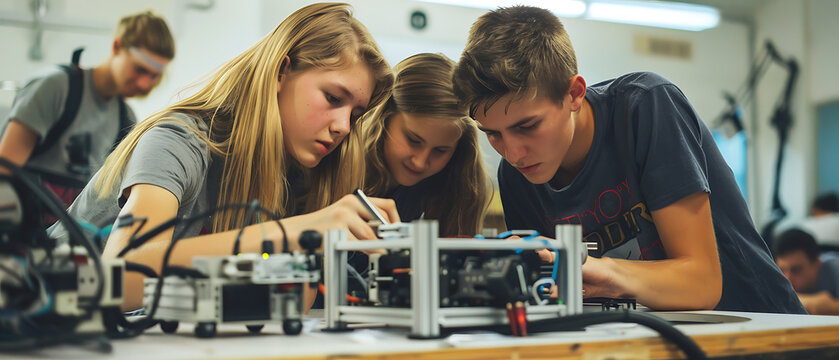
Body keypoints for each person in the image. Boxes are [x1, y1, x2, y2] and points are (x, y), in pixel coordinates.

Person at [451, 5, 804, 313]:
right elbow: (559, 295)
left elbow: (701, 283)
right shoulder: (518, 177)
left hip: (764, 329)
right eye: (492, 134)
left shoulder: (645, 106)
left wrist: (602, 271)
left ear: (573, 94)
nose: (513, 154)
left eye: (527, 126)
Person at [48, 3, 397, 310]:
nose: (343, 127)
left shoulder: (292, 173)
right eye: (334, 98)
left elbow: (294, 297)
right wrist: (302, 229)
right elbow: (121, 278)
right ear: (281, 72)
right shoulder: (180, 140)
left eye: (355, 114)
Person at [0, 10, 175, 205]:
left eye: (154, 76)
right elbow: (4, 169)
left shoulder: (126, 119)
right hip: (21, 223)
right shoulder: (55, 88)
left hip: (73, 231)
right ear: (117, 47)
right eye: (140, 69)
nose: (144, 84)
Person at [363, 53, 491, 236]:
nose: (420, 163)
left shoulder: (454, 184)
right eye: (413, 140)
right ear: (384, 119)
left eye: (440, 150)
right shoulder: (334, 162)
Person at [774, 229, 839, 315]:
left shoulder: (835, 268)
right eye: (781, 270)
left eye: (796, 270)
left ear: (816, 264)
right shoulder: (773, 273)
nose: (787, 278)